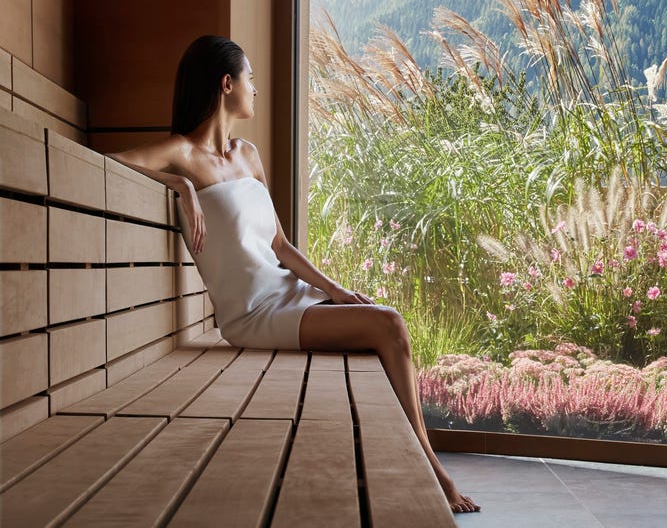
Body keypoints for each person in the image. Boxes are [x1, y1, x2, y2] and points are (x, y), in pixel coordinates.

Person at [108, 35, 479, 514]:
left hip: (289, 294)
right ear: (227, 84)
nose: (255, 89)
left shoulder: (248, 155)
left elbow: (280, 245)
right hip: (251, 314)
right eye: (251, 78)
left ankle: (416, 460)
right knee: (390, 325)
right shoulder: (182, 154)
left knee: (382, 324)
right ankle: (432, 466)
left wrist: (336, 290)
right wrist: (179, 183)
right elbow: (109, 163)